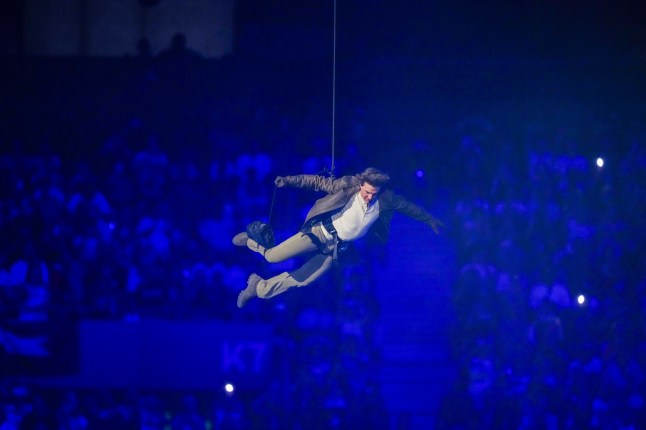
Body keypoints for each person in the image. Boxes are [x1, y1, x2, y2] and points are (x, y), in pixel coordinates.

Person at [233, 167, 444, 307]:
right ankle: (250, 241)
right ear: (361, 185)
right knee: (272, 257)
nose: (370, 197)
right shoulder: (348, 187)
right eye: (367, 192)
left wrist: (429, 219)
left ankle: (258, 287)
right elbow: (317, 182)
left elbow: (409, 207)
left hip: (335, 247)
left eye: (374, 194)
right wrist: (289, 180)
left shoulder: (385, 200)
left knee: (303, 279)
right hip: (318, 233)